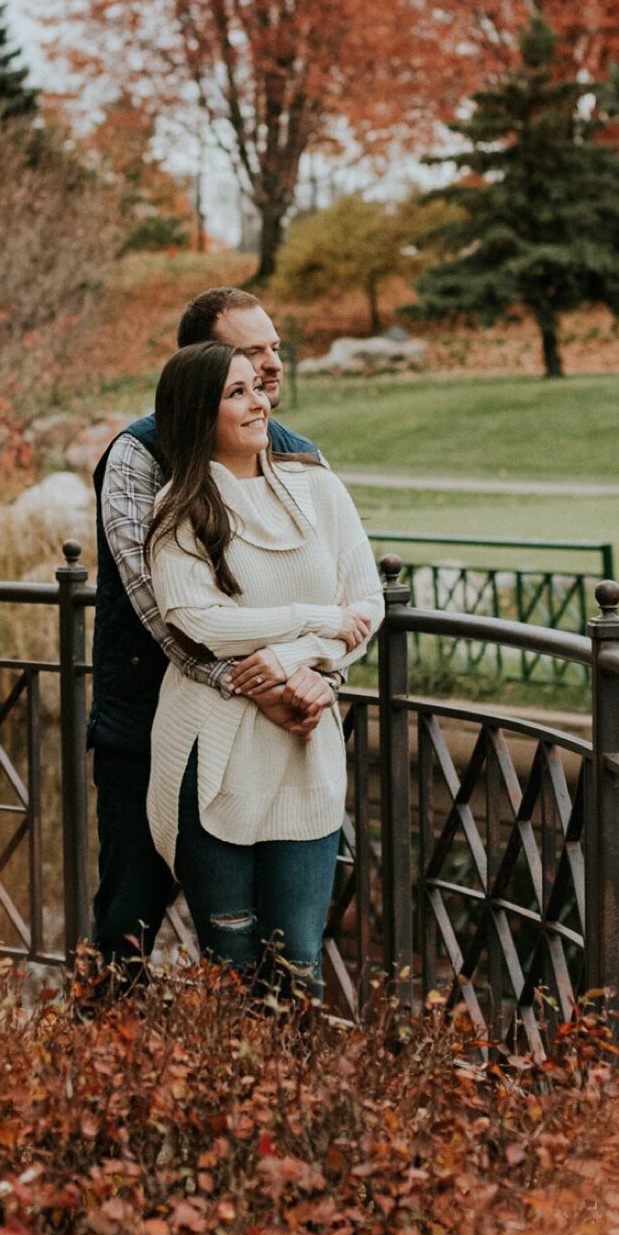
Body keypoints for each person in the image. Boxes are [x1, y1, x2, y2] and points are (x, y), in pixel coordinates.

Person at [88, 288, 327, 976]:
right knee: (125, 936)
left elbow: (338, 597)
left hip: (272, 742)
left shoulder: (303, 460)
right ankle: (101, 1070)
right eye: (251, 353)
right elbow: (158, 604)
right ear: (199, 364)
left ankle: (254, 1076)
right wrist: (239, 679)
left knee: (274, 952)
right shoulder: (138, 455)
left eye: (275, 348)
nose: (271, 366)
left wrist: (314, 675)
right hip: (148, 733)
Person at [145, 342, 383, 998]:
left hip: (303, 740)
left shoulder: (319, 489)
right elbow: (194, 617)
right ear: (200, 412)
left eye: (258, 387)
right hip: (212, 749)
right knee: (232, 954)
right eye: (237, 392)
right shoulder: (177, 511)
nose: (259, 402)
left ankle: (294, 1100)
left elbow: (365, 603)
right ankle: (237, 1097)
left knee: (299, 962)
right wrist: (317, 618)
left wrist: (303, 657)